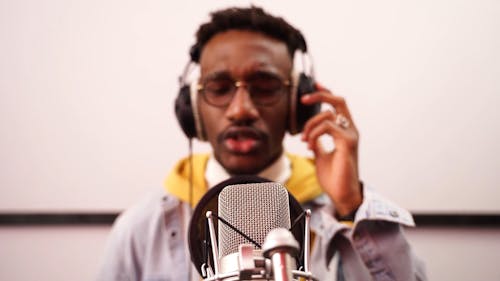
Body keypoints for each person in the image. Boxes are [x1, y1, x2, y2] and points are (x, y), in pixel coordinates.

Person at [97, 6, 427, 281]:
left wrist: (350, 207)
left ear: (298, 103)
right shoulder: (142, 228)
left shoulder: (342, 213)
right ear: (193, 108)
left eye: (266, 86)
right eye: (220, 87)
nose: (241, 110)